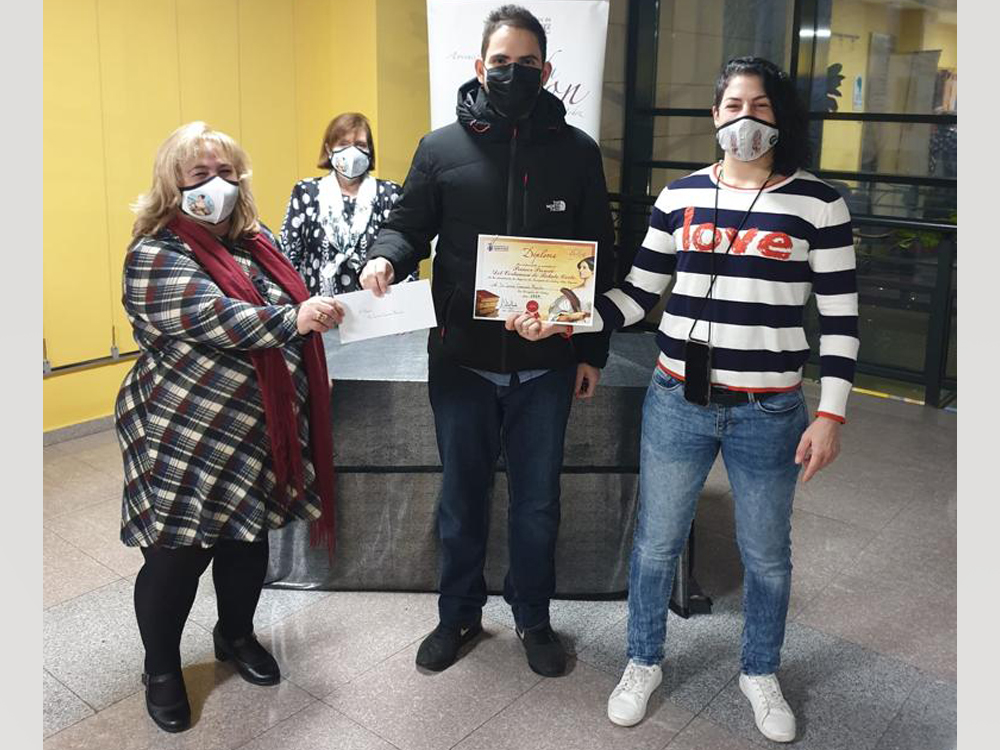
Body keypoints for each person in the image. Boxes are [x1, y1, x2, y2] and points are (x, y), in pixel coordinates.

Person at [509, 57, 858, 742]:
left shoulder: (819, 204)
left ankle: (760, 671)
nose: (746, 119)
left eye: (760, 107)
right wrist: (565, 320)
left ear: (780, 118)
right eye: (734, 105)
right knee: (655, 544)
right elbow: (637, 295)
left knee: (767, 555)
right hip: (677, 399)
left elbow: (841, 319)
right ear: (714, 115)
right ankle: (642, 661)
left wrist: (831, 414)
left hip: (770, 408)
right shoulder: (680, 196)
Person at [359, 4, 616, 677]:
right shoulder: (440, 148)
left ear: (546, 71)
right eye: (501, 63)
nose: (512, 73)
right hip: (462, 363)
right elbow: (407, 226)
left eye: (526, 64)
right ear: (479, 67)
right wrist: (385, 257)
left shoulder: (577, 152)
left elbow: (600, 254)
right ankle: (458, 615)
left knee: (537, 505)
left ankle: (533, 616)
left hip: (547, 365)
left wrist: (591, 350)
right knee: (461, 498)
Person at [116, 121, 344, 733]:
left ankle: (235, 635)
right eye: (199, 174)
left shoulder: (256, 241)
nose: (215, 185)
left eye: (225, 173)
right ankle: (161, 669)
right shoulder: (155, 252)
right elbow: (217, 316)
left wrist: (325, 309)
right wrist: (294, 319)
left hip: (257, 432)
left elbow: (288, 299)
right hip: (184, 434)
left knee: (247, 542)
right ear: (173, 183)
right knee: (177, 556)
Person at [280, 112, 413, 296]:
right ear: (329, 149)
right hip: (320, 306)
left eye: (360, 145)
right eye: (343, 144)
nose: (352, 152)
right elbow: (288, 256)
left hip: (377, 307)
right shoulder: (306, 192)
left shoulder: (389, 193)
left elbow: (404, 252)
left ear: (369, 151)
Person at [547, 255, 596, 322]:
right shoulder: (574, 292)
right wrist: (569, 317)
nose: (580, 270)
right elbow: (553, 316)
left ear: (593, 270)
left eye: (584, 267)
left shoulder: (597, 292)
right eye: (580, 267)